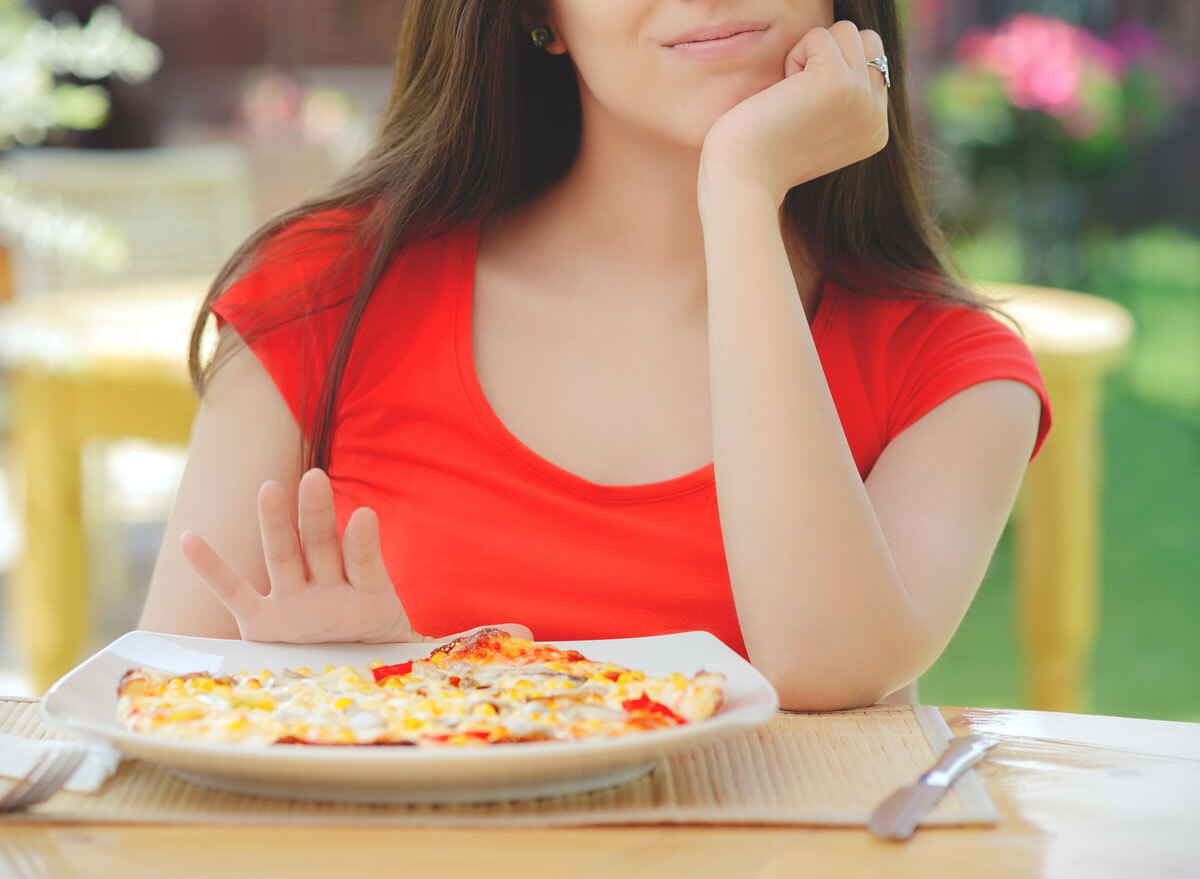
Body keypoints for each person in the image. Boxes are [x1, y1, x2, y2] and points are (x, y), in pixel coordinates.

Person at [138, 0, 1052, 711]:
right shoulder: (323, 291)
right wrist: (366, 692)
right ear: (541, 16)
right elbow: (156, 714)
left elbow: (825, 670)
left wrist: (739, 192)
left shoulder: (952, 374)